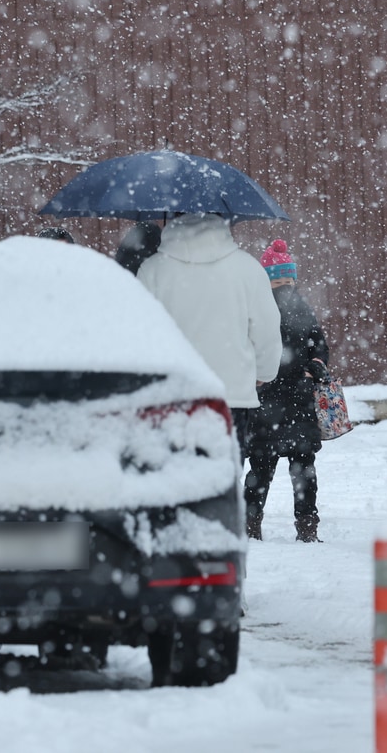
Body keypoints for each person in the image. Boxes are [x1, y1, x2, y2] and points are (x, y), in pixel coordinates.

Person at [137, 213, 282, 457]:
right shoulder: (247, 268)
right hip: (231, 397)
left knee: (174, 485)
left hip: (171, 398)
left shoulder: (152, 270)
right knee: (224, 483)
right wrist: (264, 373)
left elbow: (141, 334)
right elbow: (267, 328)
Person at [247, 239, 330, 543]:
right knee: (260, 468)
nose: (283, 287)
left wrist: (317, 363)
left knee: (304, 468)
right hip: (265, 400)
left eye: (287, 281)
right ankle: (250, 523)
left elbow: (318, 343)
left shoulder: (303, 309)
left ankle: (307, 525)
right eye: (276, 281)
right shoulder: (256, 310)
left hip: (298, 399)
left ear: (295, 280)